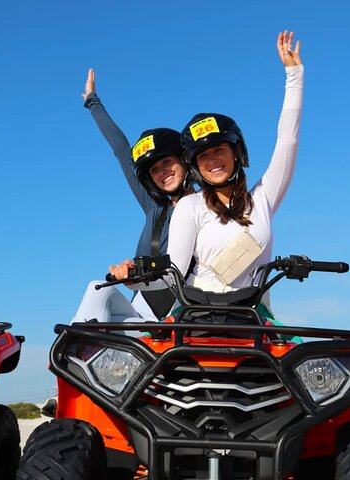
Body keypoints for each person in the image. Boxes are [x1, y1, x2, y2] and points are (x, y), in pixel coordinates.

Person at [129, 30, 304, 327]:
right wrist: (132, 278)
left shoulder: (262, 198)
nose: (212, 160)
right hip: (194, 316)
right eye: (202, 156)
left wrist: (294, 75)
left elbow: (287, 141)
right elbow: (174, 271)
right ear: (195, 165)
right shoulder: (191, 206)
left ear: (236, 152)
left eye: (219, 150)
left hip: (252, 316)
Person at [71, 70, 194, 324]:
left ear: (184, 161)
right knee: (97, 289)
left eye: (168, 162)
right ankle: (71, 359)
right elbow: (121, 151)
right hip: (144, 311)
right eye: (155, 169)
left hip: (187, 313)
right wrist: (93, 101)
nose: (163, 172)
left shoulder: (208, 207)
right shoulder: (154, 206)